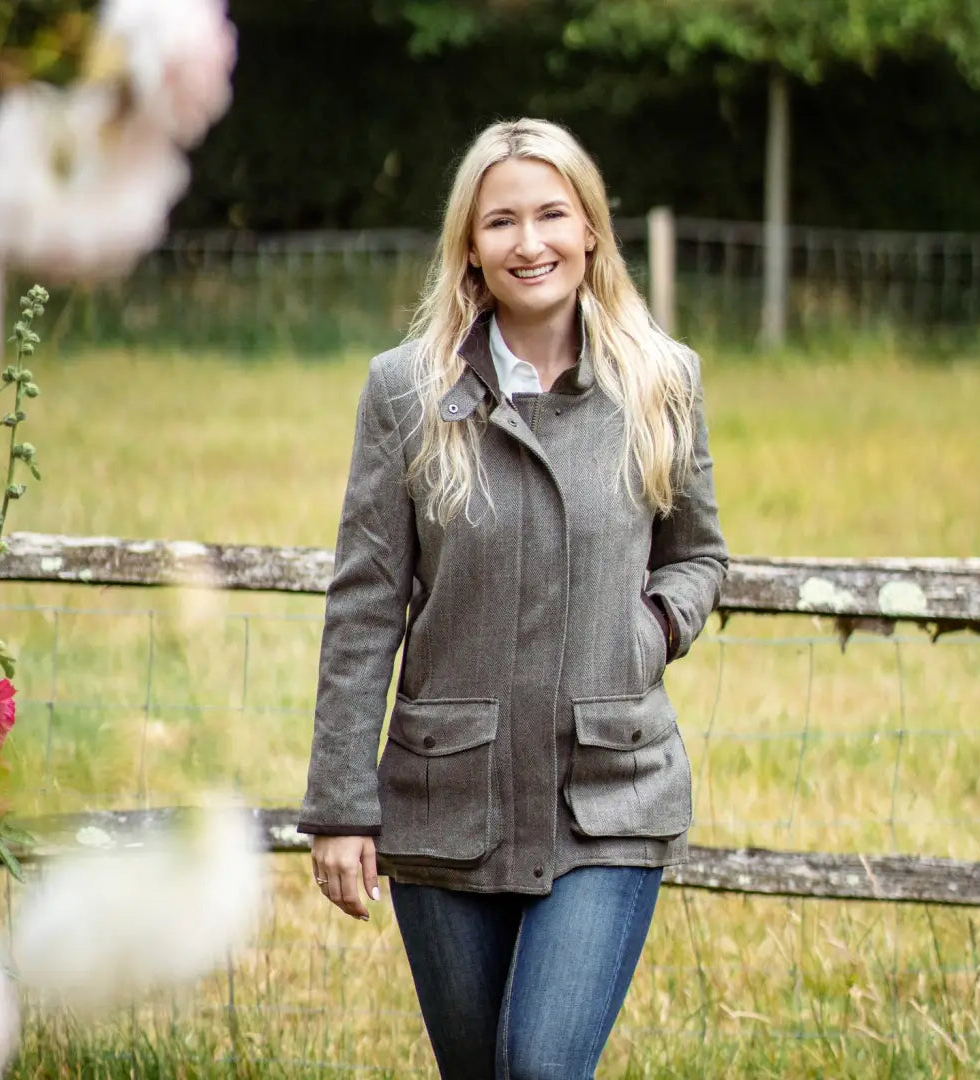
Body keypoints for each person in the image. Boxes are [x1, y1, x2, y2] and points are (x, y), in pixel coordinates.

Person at [298, 117, 728, 1079]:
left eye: (550, 215)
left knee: (538, 1065)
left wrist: (648, 631)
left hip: (610, 795)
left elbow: (697, 556)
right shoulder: (405, 392)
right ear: (470, 247)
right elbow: (365, 604)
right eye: (501, 222)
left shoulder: (662, 382)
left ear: (590, 232)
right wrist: (340, 805)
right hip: (445, 795)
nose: (528, 242)